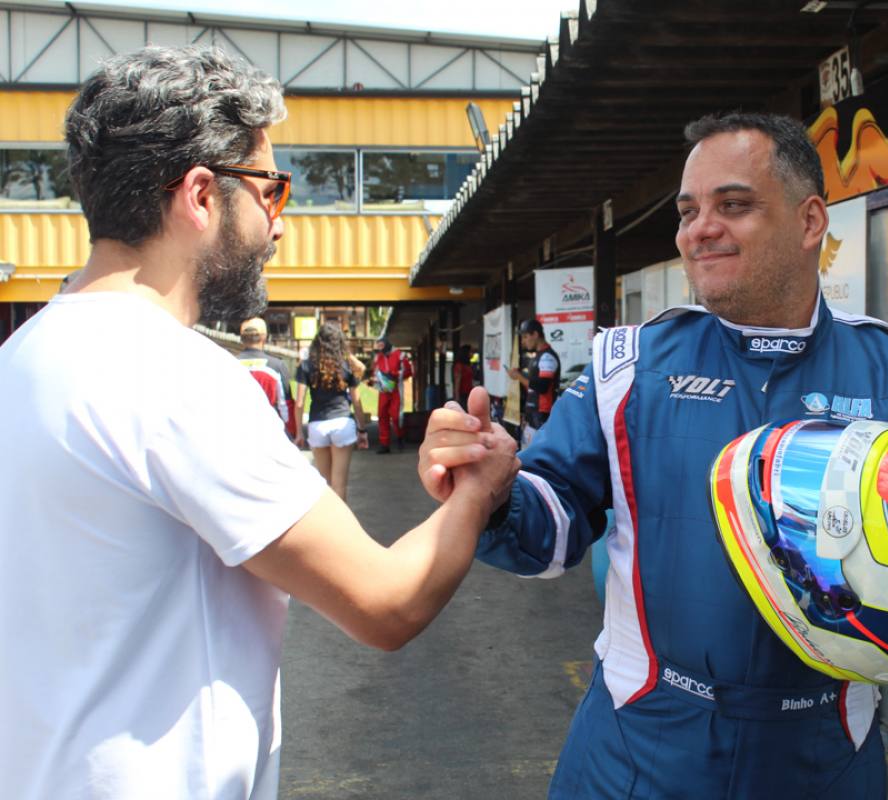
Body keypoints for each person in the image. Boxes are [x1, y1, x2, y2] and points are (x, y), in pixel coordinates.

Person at [421, 112, 888, 798]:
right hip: (636, 746)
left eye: (733, 205)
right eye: (688, 212)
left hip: (824, 757)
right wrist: (493, 493)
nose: (699, 229)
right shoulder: (627, 364)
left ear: (809, 223)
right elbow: (551, 529)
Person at [0, 45, 518, 800]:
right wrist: (478, 488)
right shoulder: (171, 377)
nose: (282, 225)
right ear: (202, 195)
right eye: (272, 192)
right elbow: (385, 601)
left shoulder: (24, 358)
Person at [294, 323, 370, 499]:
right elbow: (357, 402)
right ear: (339, 343)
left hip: (317, 424)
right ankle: (342, 525)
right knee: (340, 484)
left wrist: (299, 432)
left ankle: (328, 524)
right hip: (343, 423)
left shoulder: (306, 366)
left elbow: (299, 402)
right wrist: (363, 430)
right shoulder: (346, 366)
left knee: (324, 484)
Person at [505, 318, 561, 448]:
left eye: (525, 337)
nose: (523, 341)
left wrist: (519, 376)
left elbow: (542, 387)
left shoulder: (547, 356)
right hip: (533, 414)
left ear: (535, 334)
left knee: (536, 454)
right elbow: (532, 386)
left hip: (542, 415)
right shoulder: (538, 355)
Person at [237, 316, 293, 432]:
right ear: (264, 337)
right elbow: (285, 404)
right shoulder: (276, 365)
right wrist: (290, 430)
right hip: (268, 427)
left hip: (239, 426)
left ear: (241, 338)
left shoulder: (228, 363)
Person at [369, 336, 411, 454]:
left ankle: (400, 437)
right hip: (383, 389)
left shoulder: (399, 355)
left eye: (381, 346)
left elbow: (408, 371)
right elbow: (374, 371)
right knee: (382, 415)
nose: (380, 348)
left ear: (386, 344)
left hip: (396, 389)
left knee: (396, 416)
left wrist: (395, 374)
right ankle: (384, 444)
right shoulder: (378, 357)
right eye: (378, 346)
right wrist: (376, 379)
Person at [454, 343, 475, 408]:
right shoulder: (459, 366)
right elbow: (457, 381)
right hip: (462, 394)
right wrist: (457, 397)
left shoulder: (468, 365)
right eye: (471, 351)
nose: (473, 353)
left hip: (469, 392)